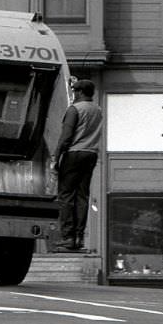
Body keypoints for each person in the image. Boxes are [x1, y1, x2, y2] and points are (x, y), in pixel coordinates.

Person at [53, 79, 103, 251]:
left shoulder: (75, 109)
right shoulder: (98, 110)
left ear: (80, 92)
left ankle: (67, 237)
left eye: (74, 91)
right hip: (91, 154)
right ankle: (79, 238)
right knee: (82, 196)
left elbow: (66, 137)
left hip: (74, 154)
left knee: (66, 196)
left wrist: (56, 157)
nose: (73, 94)